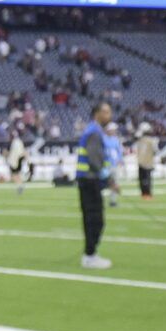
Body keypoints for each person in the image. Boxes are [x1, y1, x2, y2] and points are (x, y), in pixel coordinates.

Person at [75, 101, 113, 269]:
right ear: (97, 113)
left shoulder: (93, 130)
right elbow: (95, 158)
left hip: (87, 180)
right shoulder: (94, 132)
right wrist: (108, 179)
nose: (109, 116)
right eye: (106, 112)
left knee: (92, 218)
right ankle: (90, 255)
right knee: (95, 219)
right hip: (90, 180)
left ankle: (90, 254)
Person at [134, 122, 158, 200]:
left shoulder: (146, 140)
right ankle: (146, 193)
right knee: (145, 179)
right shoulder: (148, 140)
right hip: (145, 162)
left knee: (145, 179)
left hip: (145, 162)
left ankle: (146, 193)